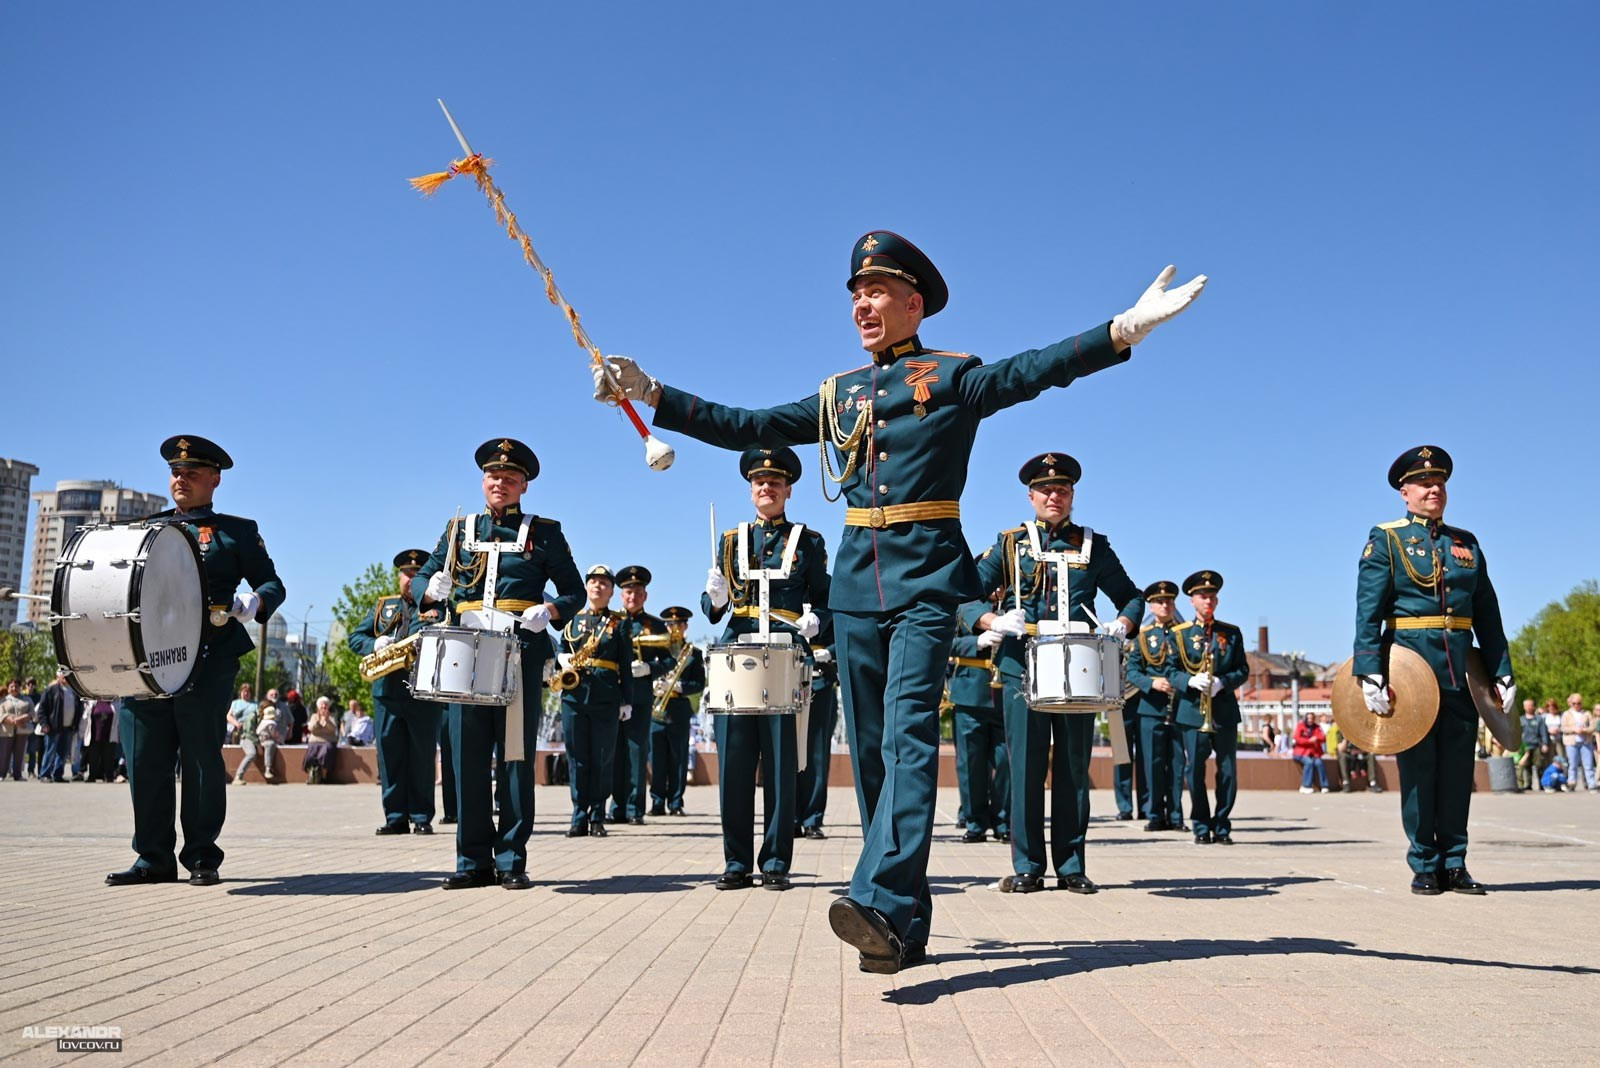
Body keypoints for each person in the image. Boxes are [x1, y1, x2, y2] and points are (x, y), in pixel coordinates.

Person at [596, 232, 1204, 970]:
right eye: (856, 293)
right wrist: (652, 392)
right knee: (875, 757)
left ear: (915, 304)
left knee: (909, 735)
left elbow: (1033, 372)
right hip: (856, 586)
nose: (863, 304)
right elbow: (751, 427)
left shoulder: (952, 376)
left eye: (878, 291)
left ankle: (877, 897)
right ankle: (903, 925)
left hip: (926, 583)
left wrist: (1120, 331)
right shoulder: (841, 393)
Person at [110, 435, 286, 887]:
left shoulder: (236, 531)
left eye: (190, 473)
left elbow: (272, 584)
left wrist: (253, 603)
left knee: (201, 757)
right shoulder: (147, 528)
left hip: (208, 657)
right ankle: (152, 858)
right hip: (148, 657)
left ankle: (202, 856)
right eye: (175, 472)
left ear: (215, 479)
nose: (180, 480)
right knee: (145, 758)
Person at [411, 438, 585, 890]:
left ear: (524, 485)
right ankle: (471, 862)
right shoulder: (458, 529)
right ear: (483, 481)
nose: (500, 483)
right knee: (465, 759)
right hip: (464, 652)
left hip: (518, 654)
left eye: (510, 478)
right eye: (493, 477)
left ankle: (510, 859)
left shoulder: (544, 532)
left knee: (513, 758)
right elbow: (423, 579)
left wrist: (548, 612)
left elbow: (574, 591)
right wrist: (432, 590)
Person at [966, 453, 1143, 895]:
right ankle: (1027, 865)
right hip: (1021, 664)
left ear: (1072, 496)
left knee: (1072, 768)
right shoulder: (1009, 544)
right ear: (1031, 496)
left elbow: (1130, 597)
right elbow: (963, 590)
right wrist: (990, 621)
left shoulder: (1093, 545)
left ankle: (1071, 865)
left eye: (1062, 490)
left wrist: (1122, 625)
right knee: (1024, 767)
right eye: (1045, 490)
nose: (1054, 496)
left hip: (1080, 668)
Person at [1354, 445, 1513, 895]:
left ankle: (1455, 862)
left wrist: (1502, 668)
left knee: (1459, 768)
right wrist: (1370, 670)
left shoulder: (1465, 543)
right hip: (1410, 664)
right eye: (1424, 484)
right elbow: (1368, 611)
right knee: (1420, 768)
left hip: (1461, 666)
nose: (1434, 490)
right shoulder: (1386, 539)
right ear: (1405, 492)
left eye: (1439, 483)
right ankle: (1424, 861)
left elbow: (1487, 611)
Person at [704, 447, 830, 891]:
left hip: (784, 658)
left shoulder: (808, 542)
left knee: (780, 766)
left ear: (788, 490)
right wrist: (715, 597)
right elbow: (712, 611)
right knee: (734, 767)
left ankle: (775, 862)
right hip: (737, 659)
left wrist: (817, 622)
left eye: (775, 482)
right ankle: (736, 862)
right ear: (750, 489)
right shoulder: (730, 541)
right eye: (759, 481)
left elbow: (826, 601)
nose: (766, 487)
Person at [348, 549, 447, 835]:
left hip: (423, 693)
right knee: (389, 756)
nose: (410, 579)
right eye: (406, 574)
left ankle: (420, 816)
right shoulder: (383, 606)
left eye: (417, 575)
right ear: (399, 576)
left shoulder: (439, 609)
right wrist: (375, 644)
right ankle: (395, 817)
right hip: (387, 692)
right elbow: (356, 637)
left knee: (421, 756)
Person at [1167, 571, 1248, 845]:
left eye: (1212, 596)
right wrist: (1190, 680)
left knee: (1228, 772)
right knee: (1194, 771)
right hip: (1192, 711)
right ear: (1191, 600)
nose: (1208, 600)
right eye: (1203, 596)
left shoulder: (1231, 633)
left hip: (1223, 711)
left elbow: (1243, 670)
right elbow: (1170, 671)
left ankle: (1222, 825)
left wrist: (1223, 682)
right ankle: (1201, 825)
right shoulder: (1179, 635)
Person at [557, 566, 634, 838]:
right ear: (586, 587)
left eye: (603, 583)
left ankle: (598, 815)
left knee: (602, 758)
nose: (597, 586)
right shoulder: (571, 620)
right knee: (577, 758)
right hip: (574, 696)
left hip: (606, 697)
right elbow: (562, 648)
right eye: (593, 582)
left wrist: (627, 700)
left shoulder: (619, 622)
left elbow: (625, 664)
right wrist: (562, 658)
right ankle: (578, 815)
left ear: (612, 591)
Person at [610, 566, 669, 825]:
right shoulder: (610, 621)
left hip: (640, 696)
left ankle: (635, 809)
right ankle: (617, 807)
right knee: (613, 753)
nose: (632, 596)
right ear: (620, 596)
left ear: (645, 596)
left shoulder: (654, 625)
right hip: (613, 696)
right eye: (627, 592)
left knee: (636, 752)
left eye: (637, 592)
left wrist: (649, 669)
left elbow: (669, 660)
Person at [1126, 581, 1187, 833]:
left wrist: (1178, 682)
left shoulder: (1186, 634)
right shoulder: (1143, 636)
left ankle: (1175, 815)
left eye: (1170, 601)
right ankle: (1154, 814)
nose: (1165, 605)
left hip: (1179, 705)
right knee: (1152, 762)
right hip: (1151, 706)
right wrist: (1153, 683)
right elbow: (1132, 670)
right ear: (1151, 605)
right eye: (1160, 602)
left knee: (1176, 764)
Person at [946, 606, 1009, 844]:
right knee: (970, 764)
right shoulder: (964, 606)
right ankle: (975, 822)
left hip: (1005, 695)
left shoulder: (1015, 603)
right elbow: (945, 642)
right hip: (969, 693)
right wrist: (976, 642)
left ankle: (1003, 821)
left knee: (1006, 764)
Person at [648, 606, 705, 818]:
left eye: (677, 624)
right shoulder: (656, 650)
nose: (673, 628)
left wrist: (679, 686)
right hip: (656, 708)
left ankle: (675, 802)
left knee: (678, 758)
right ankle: (656, 802)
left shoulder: (693, 653)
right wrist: (654, 685)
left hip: (679, 708)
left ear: (685, 626)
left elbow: (699, 683)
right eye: (669, 624)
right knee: (656, 758)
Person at [796, 615, 842, 839]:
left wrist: (830, 651)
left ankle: (812, 819)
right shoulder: (790, 591)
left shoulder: (830, 600)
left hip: (821, 682)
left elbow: (847, 634)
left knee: (817, 755)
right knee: (789, 755)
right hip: (789, 679)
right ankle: (791, 818)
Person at [35, 668, 81, 782]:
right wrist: (44, 724)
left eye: (67, 675)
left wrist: (76, 724)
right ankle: (45, 774)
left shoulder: (74, 691)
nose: (65, 677)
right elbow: (42, 709)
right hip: (53, 727)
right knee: (50, 751)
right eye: (63, 675)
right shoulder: (51, 690)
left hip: (68, 727)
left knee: (63, 753)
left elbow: (79, 709)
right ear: (58, 677)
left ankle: (58, 774)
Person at [1558, 694, 1595, 792]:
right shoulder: (1566, 714)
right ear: (1570, 703)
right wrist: (1573, 729)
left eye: (1579, 703)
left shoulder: (1587, 713)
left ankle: (1591, 784)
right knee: (1572, 764)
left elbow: (1592, 727)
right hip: (1571, 743)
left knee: (1588, 765)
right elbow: (1563, 728)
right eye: (1574, 703)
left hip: (1585, 742)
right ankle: (1571, 783)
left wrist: (1584, 730)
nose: (1576, 705)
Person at [231, 698, 272, 784]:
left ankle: (268, 770)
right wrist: (258, 743)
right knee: (252, 753)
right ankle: (238, 776)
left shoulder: (265, 717)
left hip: (257, 739)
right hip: (246, 738)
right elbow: (249, 733)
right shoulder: (252, 716)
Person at [1516, 698, 1550, 792]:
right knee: (1527, 766)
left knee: (1539, 765)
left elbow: (1543, 733)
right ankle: (1528, 784)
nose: (1528, 707)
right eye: (1526, 706)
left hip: (1536, 745)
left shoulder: (1539, 719)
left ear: (1533, 706)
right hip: (1525, 746)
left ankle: (1541, 784)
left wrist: (1545, 744)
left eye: (1530, 705)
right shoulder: (1521, 719)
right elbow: (1518, 733)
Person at [303, 698, 339, 783]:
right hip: (315, 741)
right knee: (311, 752)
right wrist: (318, 722)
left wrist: (327, 721)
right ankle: (311, 775)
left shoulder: (332, 716)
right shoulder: (314, 716)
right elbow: (312, 729)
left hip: (328, 741)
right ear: (318, 707)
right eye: (322, 705)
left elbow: (333, 729)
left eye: (325, 705)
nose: (324, 707)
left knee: (327, 750)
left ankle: (323, 776)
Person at [0, 679, 31, 780]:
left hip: (22, 731)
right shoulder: (3, 700)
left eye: (16, 686)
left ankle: (18, 775)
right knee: (4, 754)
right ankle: (2, 774)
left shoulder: (27, 699)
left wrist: (24, 717)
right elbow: (1, 714)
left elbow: (33, 713)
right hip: (6, 731)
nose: (14, 688)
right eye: (11, 687)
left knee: (19, 754)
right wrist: (13, 721)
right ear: (8, 688)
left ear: (20, 688)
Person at [1293, 711, 1329, 793]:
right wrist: (1309, 741)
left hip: (1314, 753)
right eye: (1308, 718)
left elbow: (1323, 737)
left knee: (1319, 763)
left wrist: (1316, 738)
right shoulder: (1300, 726)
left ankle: (1324, 785)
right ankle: (1306, 785)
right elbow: (1297, 739)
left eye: (1312, 718)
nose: (1310, 720)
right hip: (1301, 752)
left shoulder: (1317, 727)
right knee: (1309, 762)